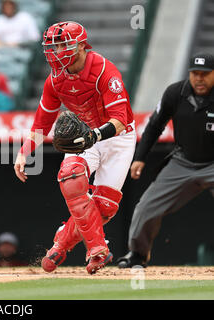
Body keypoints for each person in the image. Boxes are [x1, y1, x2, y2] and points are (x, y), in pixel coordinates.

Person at [14, 21, 136, 275]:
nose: (56, 51)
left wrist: (96, 135)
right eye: (53, 46)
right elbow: (42, 122)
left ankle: (62, 241)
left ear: (81, 46)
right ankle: (97, 248)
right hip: (85, 133)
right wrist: (24, 151)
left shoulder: (104, 70)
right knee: (70, 176)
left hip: (117, 137)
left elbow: (120, 120)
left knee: (104, 208)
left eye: (62, 45)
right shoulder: (54, 80)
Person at [117, 53, 214, 268]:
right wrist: (140, 157)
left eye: (205, 74)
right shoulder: (175, 92)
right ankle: (137, 255)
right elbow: (154, 124)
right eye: (195, 74)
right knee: (146, 208)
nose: (199, 79)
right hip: (183, 162)